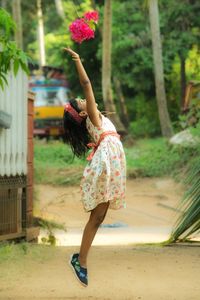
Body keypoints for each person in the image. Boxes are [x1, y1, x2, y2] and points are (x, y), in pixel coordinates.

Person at [63, 47, 126, 287]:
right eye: (81, 101)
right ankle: (81, 261)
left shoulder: (97, 117)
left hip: (111, 164)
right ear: (82, 111)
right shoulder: (92, 116)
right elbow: (87, 83)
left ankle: (80, 259)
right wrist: (78, 60)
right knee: (97, 216)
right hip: (105, 165)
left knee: (100, 216)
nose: (84, 97)